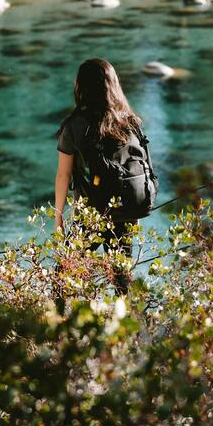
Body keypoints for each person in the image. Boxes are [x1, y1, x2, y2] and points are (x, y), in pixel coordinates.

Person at [54, 59, 157, 289]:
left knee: (63, 276)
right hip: (127, 210)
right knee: (122, 279)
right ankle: (126, 322)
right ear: (113, 85)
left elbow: (63, 175)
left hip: (92, 213)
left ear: (80, 86)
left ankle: (60, 319)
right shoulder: (130, 121)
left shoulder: (74, 125)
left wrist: (58, 218)